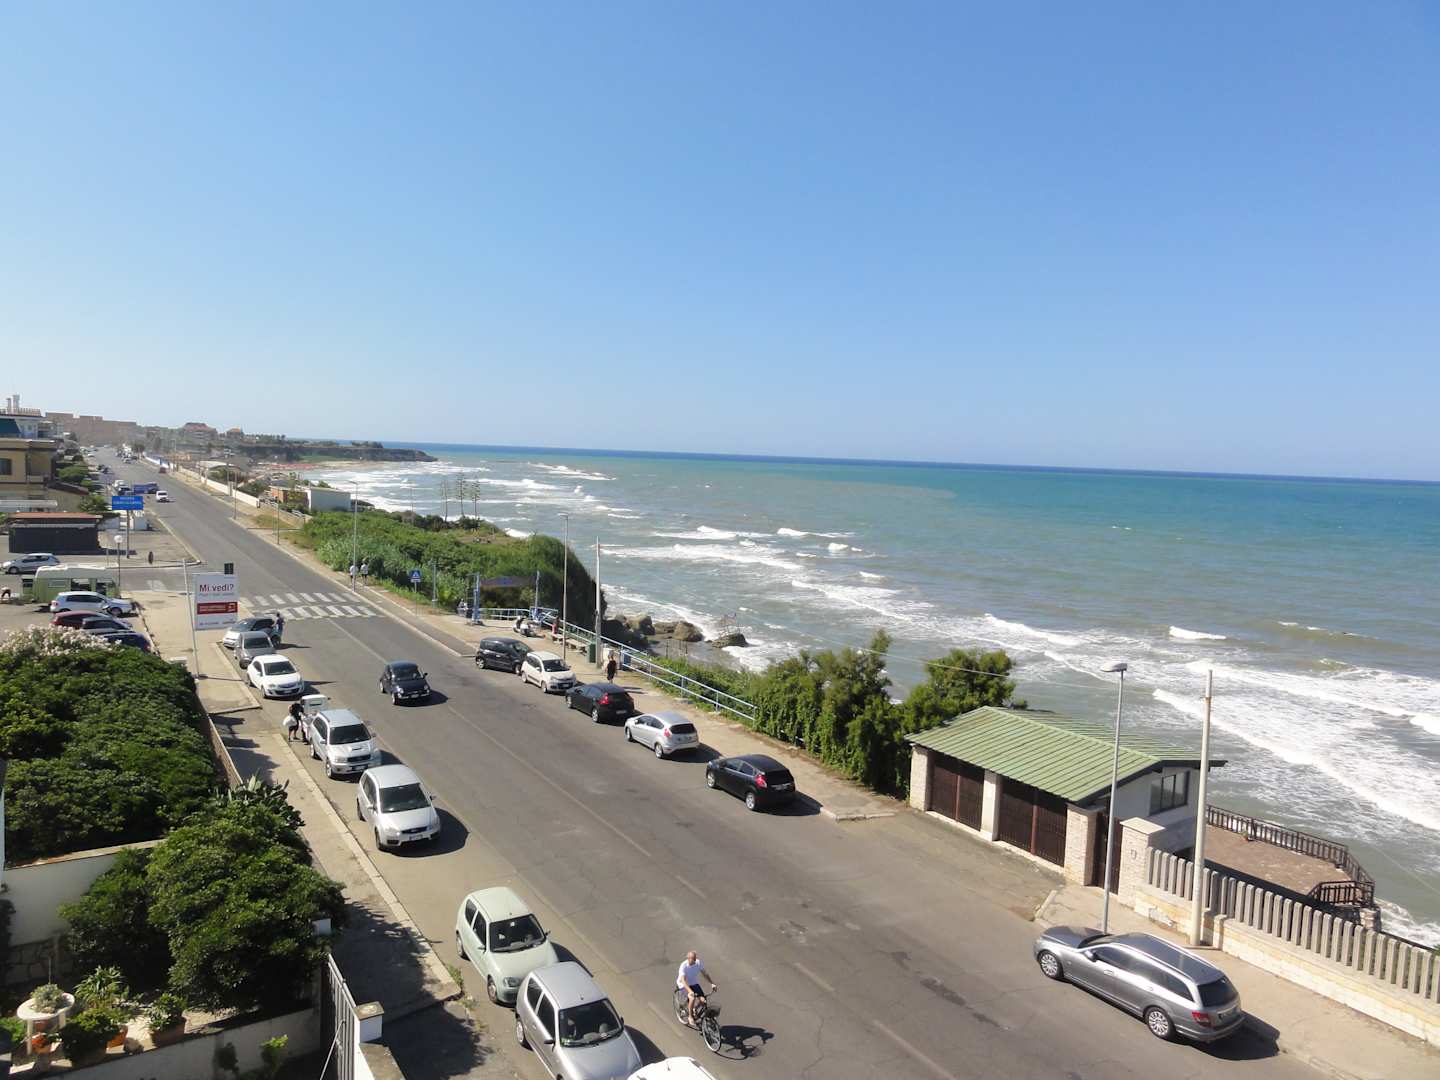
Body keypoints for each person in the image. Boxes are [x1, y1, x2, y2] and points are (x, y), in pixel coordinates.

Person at [676, 951, 716, 1026]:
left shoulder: (698, 963)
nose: (695, 960)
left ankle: (694, 1009)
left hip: (694, 983)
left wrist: (712, 983)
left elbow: (704, 973)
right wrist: (690, 991)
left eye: (695, 958)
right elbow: (683, 980)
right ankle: (690, 1017)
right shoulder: (683, 966)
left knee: (703, 1000)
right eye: (693, 959)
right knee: (692, 998)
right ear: (688, 958)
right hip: (683, 985)